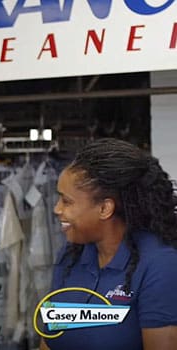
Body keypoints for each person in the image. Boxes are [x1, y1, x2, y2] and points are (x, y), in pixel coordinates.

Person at [40, 138, 177, 350]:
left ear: (105, 209)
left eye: (66, 201)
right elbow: (49, 342)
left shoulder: (159, 265)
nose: (57, 209)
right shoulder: (70, 257)